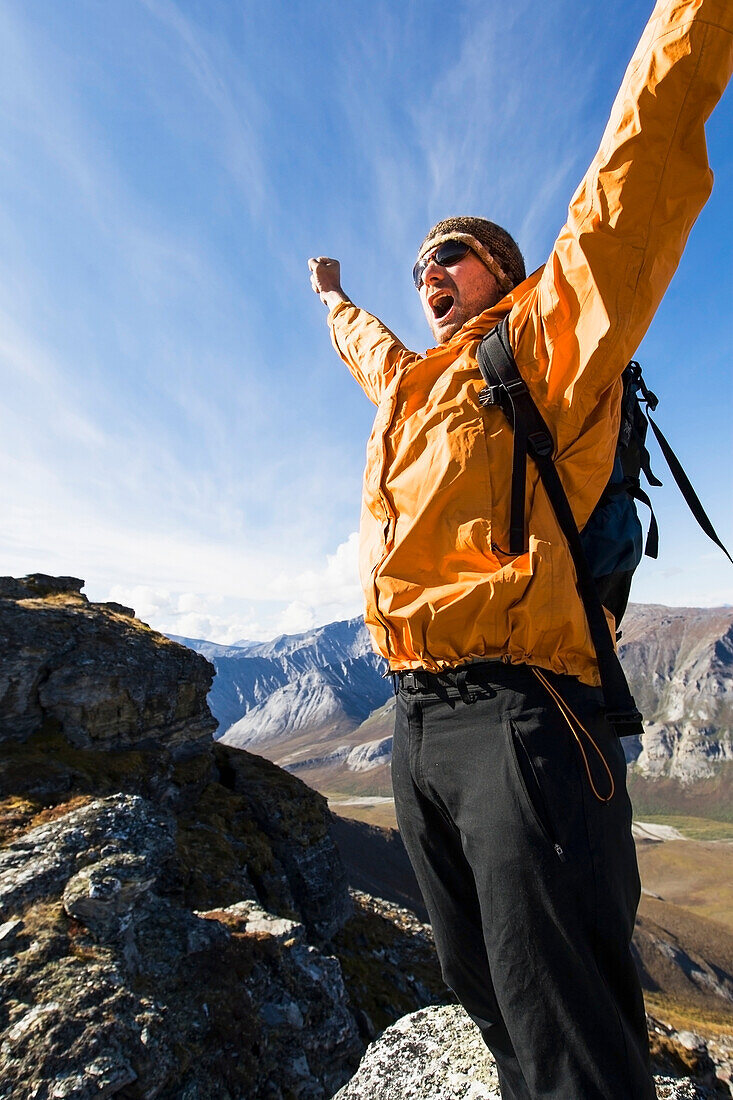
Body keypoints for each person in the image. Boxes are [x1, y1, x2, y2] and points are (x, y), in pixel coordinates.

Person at [309, 2, 732, 1096]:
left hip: (521, 720)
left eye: (447, 257)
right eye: (417, 272)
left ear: (501, 269)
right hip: (415, 723)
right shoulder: (408, 383)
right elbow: (369, 350)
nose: (427, 273)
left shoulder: (545, 338)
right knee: (486, 987)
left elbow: (637, 159)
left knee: (567, 1024)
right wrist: (334, 301)